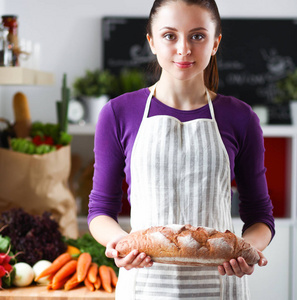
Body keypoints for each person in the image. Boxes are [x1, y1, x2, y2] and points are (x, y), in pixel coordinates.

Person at [88, 0, 275, 298]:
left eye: (197, 36)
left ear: (215, 43)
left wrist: (249, 250)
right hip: (145, 284)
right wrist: (119, 245)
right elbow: (100, 210)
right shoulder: (118, 113)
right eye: (170, 35)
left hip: (219, 287)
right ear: (151, 41)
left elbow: (260, 215)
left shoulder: (240, 117)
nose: (184, 49)